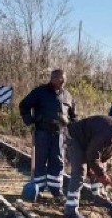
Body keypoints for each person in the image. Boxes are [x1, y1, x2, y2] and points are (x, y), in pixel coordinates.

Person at [19, 69, 77, 197]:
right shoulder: (40, 92)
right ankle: (38, 188)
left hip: (60, 134)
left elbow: (74, 116)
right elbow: (24, 105)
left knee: (57, 161)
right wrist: (30, 120)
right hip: (42, 132)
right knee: (40, 160)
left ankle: (56, 189)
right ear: (52, 78)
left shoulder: (68, 96)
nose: (61, 81)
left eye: (63, 78)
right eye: (58, 78)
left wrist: (72, 131)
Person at [63, 115, 112, 218]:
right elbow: (92, 154)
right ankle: (70, 210)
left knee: (99, 166)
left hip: (88, 141)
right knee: (80, 170)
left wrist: (98, 170)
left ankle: (99, 198)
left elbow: (99, 157)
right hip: (75, 137)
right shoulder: (108, 131)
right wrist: (101, 174)